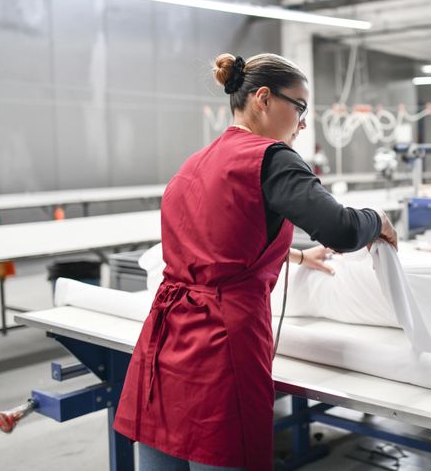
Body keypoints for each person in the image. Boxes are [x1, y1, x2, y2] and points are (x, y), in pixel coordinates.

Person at [113, 52, 398, 471]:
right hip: (221, 343)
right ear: (264, 98)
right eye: (299, 108)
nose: (302, 124)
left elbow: (221, 241)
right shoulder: (270, 158)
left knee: (163, 454)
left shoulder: (196, 163)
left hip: (165, 338)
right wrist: (378, 220)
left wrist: (298, 255)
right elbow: (340, 228)